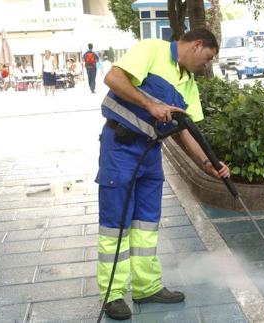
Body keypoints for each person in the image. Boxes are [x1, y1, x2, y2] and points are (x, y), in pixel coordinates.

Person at [97, 28, 230, 320]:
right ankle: (113, 294)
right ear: (197, 45)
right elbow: (113, 78)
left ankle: (146, 286)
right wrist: (150, 104)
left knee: (146, 223)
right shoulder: (152, 49)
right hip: (120, 148)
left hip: (150, 153)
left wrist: (207, 164)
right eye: (207, 58)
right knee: (115, 223)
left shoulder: (189, 84)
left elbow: (186, 132)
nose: (206, 65)